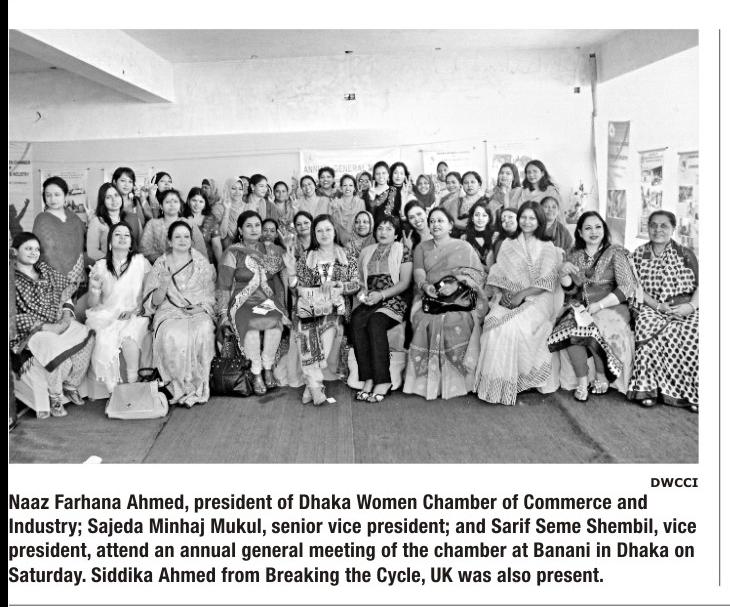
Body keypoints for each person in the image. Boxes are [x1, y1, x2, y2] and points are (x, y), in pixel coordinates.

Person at [473, 201, 562, 406]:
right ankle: (496, 385)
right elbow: (500, 271)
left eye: (532, 218)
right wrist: (505, 292)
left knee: (510, 327)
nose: (527, 222)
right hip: (509, 295)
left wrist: (521, 295)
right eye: (524, 217)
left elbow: (546, 281)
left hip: (539, 298)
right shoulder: (508, 243)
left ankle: (514, 383)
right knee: (494, 325)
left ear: (539, 221)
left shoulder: (547, 246)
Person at [547, 212, 637, 401]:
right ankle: (582, 381)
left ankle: (602, 376)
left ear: (604, 229)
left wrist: (600, 305)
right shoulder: (574, 255)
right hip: (583, 306)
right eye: (588, 228)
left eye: (598, 227)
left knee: (593, 325)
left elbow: (626, 287)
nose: (593, 232)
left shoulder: (616, 252)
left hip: (612, 307)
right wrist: (563, 274)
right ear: (580, 232)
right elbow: (572, 290)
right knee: (569, 327)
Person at [403, 207, 486, 401]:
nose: (435, 224)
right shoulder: (422, 247)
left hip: (461, 297)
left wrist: (456, 284)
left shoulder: (463, 247)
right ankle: (431, 382)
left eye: (440, 220)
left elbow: (477, 274)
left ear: (450, 225)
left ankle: (460, 379)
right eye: (432, 221)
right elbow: (419, 272)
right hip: (430, 296)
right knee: (425, 319)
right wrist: (425, 286)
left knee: (455, 320)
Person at [10, 232, 95, 418]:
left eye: (36, 249)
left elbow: (66, 293)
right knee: (54, 348)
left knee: (87, 334)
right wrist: (46, 327)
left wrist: (66, 318)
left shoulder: (45, 270)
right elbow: (12, 316)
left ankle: (71, 384)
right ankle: (55, 397)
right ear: (15, 251)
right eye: (28, 248)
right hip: (32, 331)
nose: (34, 252)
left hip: (58, 320)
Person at [282, 214, 360, 406]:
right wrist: (291, 272)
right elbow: (296, 289)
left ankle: (311, 386)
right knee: (306, 336)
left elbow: (356, 284)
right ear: (314, 234)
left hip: (335, 309)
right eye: (319, 230)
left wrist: (339, 285)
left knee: (323, 344)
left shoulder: (347, 256)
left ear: (334, 231)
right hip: (309, 308)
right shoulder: (306, 257)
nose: (324, 234)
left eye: (328, 229)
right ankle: (316, 387)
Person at [627, 210, 699, 411]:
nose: (658, 230)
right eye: (653, 225)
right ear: (647, 228)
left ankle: (691, 393)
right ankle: (647, 389)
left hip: (684, 305)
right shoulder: (638, 254)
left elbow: (702, 286)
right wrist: (658, 306)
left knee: (693, 331)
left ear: (673, 229)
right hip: (652, 306)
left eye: (664, 225)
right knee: (646, 324)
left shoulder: (686, 254)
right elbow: (635, 287)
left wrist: (690, 307)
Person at [143, 221, 216, 407]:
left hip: (197, 310)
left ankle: (198, 385)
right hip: (169, 311)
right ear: (169, 241)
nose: (182, 240)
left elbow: (209, 295)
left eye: (186, 236)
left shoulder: (200, 263)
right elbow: (154, 302)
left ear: (191, 240)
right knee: (171, 333)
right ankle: (176, 386)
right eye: (177, 237)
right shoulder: (161, 264)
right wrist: (163, 285)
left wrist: (201, 308)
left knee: (204, 329)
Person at [217, 211, 289, 395]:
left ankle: (267, 367)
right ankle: (256, 372)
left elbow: (284, 270)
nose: (254, 229)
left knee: (275, 321)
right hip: (241, 301)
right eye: (249, 226)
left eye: (257, 225)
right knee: (250, 325)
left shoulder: (269, 250)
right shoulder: (232, 252)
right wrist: (223, 314)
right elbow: (224, 286)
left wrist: (287, 245)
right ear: (240, 230)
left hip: (265, 299)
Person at [350, 216, 413, 402]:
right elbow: (361, 282)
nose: (383, 232)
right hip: (372, 299)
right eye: (380, 228)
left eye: (388, 229)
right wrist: (363, 294)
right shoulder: (367, 251)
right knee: (356, 320)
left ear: (396, 234)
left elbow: (404, 283)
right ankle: (368, 378)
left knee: (376, 322)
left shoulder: (403, 250)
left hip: (395, 298)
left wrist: (382, 295)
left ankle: (383, 381)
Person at [85, 222, 151, 391]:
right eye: (117, 235)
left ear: (131, 243)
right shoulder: (100, 266)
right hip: (107, 313)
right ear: (109, 242)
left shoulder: (140, 262)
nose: (122, 238)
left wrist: (135, 311)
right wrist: (94, 288)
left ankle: (133, 384)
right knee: (104, 338)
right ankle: (113, 392)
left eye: (126, 235)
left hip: (135, 312)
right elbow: (92, 304)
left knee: (129, 336)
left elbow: (148, 293)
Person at [32, 176, 86, 292]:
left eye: (57, 195)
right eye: (48, 195)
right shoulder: (42, 219)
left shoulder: (74, 218)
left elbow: (84, 245)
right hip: (52, 282)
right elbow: (43, 252)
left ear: (65, 196)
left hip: (78, 278)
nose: (52, 199)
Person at [139, 189, 208, 264]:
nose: (172, 205)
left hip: (188, 266)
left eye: (175, 201)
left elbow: (201, 250)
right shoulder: (152, 224)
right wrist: (167, 261)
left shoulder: (189, 224)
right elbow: (144, 250)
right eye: (168, 202)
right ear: (161, 206)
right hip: (158, 267)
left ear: (180, 205)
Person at [86, 183, 141, 261]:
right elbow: (92, 252)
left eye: (116, 195)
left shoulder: (132, 217)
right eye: (108, 197)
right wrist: (114, 262)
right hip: (108, 265)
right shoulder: (97, 222)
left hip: (133, 263)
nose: (114, 200)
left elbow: (139, 246)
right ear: (103, 201)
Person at [183, 187, 223, 265]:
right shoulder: (182, 219)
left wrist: (221, 267)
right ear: (188, 201)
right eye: (194, 200)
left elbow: (217, 246)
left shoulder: (211, 220)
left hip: (207, 263)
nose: (197, 204)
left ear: (205, 204)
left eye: (201, 201)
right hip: (185, 264)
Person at [329, 174, 365, 245]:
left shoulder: (360, 202)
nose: (348, 188)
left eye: (350, 185)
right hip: (338, 242)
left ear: (354, 188)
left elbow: (363, 224)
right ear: (341, 188)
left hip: (357, 242)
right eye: (345, 185)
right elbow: (330, 224)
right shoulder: (334, 203)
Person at [111, 167, 148, 235]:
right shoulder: (110, 202)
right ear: (114, 182)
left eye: (130, 181)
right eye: (123, 180)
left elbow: (144, 223)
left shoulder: (135, 202)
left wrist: (144, 197)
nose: (126, 184)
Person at [461, 201, 492, 268]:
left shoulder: (495, 236)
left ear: (489, 218)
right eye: (477, 215)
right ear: (472, 218)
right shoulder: (464, 238)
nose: (480, 218)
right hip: (470, 272)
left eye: (484, 215)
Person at [219, 177, 247, 248]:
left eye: (240, 189)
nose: (237, 192)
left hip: (247, 247)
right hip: (228, 248)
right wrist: (227, 210)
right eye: (233, 188)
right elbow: (222, 234)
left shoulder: (248, 207)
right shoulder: (219, 208)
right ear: (227, 189)